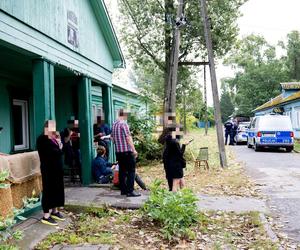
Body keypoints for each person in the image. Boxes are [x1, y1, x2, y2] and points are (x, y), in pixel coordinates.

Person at [36, 120, 65, 226]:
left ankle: (55, 211)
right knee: (49, 189)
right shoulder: (42, 139)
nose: (53, 129)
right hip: (48, 169)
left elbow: (60, 152)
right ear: (46, 128)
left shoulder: (53, 138)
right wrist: (60, 147)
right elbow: (53, 153)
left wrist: (59, 144)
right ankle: (46, 215)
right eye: (50, 127)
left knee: (57, 188)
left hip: (57, 168)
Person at [111, 109, 140, 197]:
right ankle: (130, 191)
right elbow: (128, 138)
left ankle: (123, 190)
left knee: (122, 171)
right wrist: (134, 150)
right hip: (127, 151)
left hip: (118, 152)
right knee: (131, 171)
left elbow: (112, 138)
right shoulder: (124, 124)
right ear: (124, 115)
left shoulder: (114, 124)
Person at [159, 124, 190, 192]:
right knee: (175, 184)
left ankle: (184, 196)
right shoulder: (174, 142)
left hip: (169, 165)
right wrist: (184, 145)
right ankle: (174, 199)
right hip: (175, 165)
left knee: (181, 181)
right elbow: (179, 154)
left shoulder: (168, 139)